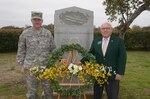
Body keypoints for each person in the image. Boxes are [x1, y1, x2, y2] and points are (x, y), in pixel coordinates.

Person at [17, 11, 56, 99]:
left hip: (46, 66)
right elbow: (21, 50)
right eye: (35, 19)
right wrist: (22, 65)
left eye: (39, 20)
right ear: (32, 21)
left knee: (48, 90)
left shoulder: (48, 33)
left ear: (42, 21)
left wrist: (55, 62)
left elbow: (53, 49)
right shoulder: (25, 33)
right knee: (32, 92)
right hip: (30, 67)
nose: (37, 21)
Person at [89, 22, 127, 99]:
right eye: (103, 28)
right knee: (97, 96)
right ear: (100, 30)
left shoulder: (119, 42)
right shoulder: (96, 41)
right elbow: (90, 54)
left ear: (111, 30)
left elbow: (122, 57)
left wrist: (120, 73)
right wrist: (80, 61)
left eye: (107, 28)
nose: (105, 30)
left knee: (112, 96)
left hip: (113, 75)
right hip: (98, 73)